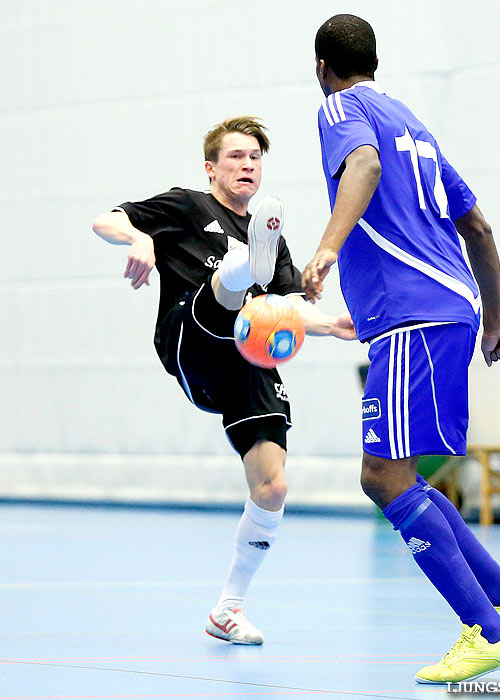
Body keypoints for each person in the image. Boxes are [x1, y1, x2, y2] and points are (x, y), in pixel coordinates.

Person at [303, 14, 500, 685]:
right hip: (449, 308)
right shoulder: (414, 124)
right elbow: (478, 223)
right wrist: (494, 316)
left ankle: (485, 630)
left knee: (381, 476)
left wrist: (327, 245)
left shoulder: (339, 108)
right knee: (398, 474)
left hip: (412, 313)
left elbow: (364, 163)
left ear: (323, 65)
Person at [92, 116, 355, 645]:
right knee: (226, 293)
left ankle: (228, 608)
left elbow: (288, 311)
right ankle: (237, 271)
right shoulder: (188, 206)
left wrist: (334, 325)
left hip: (248, 362)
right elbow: (104, 220)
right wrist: (139, 238)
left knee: (273, 485)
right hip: (193, 339)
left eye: (255, 158)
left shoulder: (273, 244)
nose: (248, 165)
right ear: (212, 168)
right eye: (236, 157)